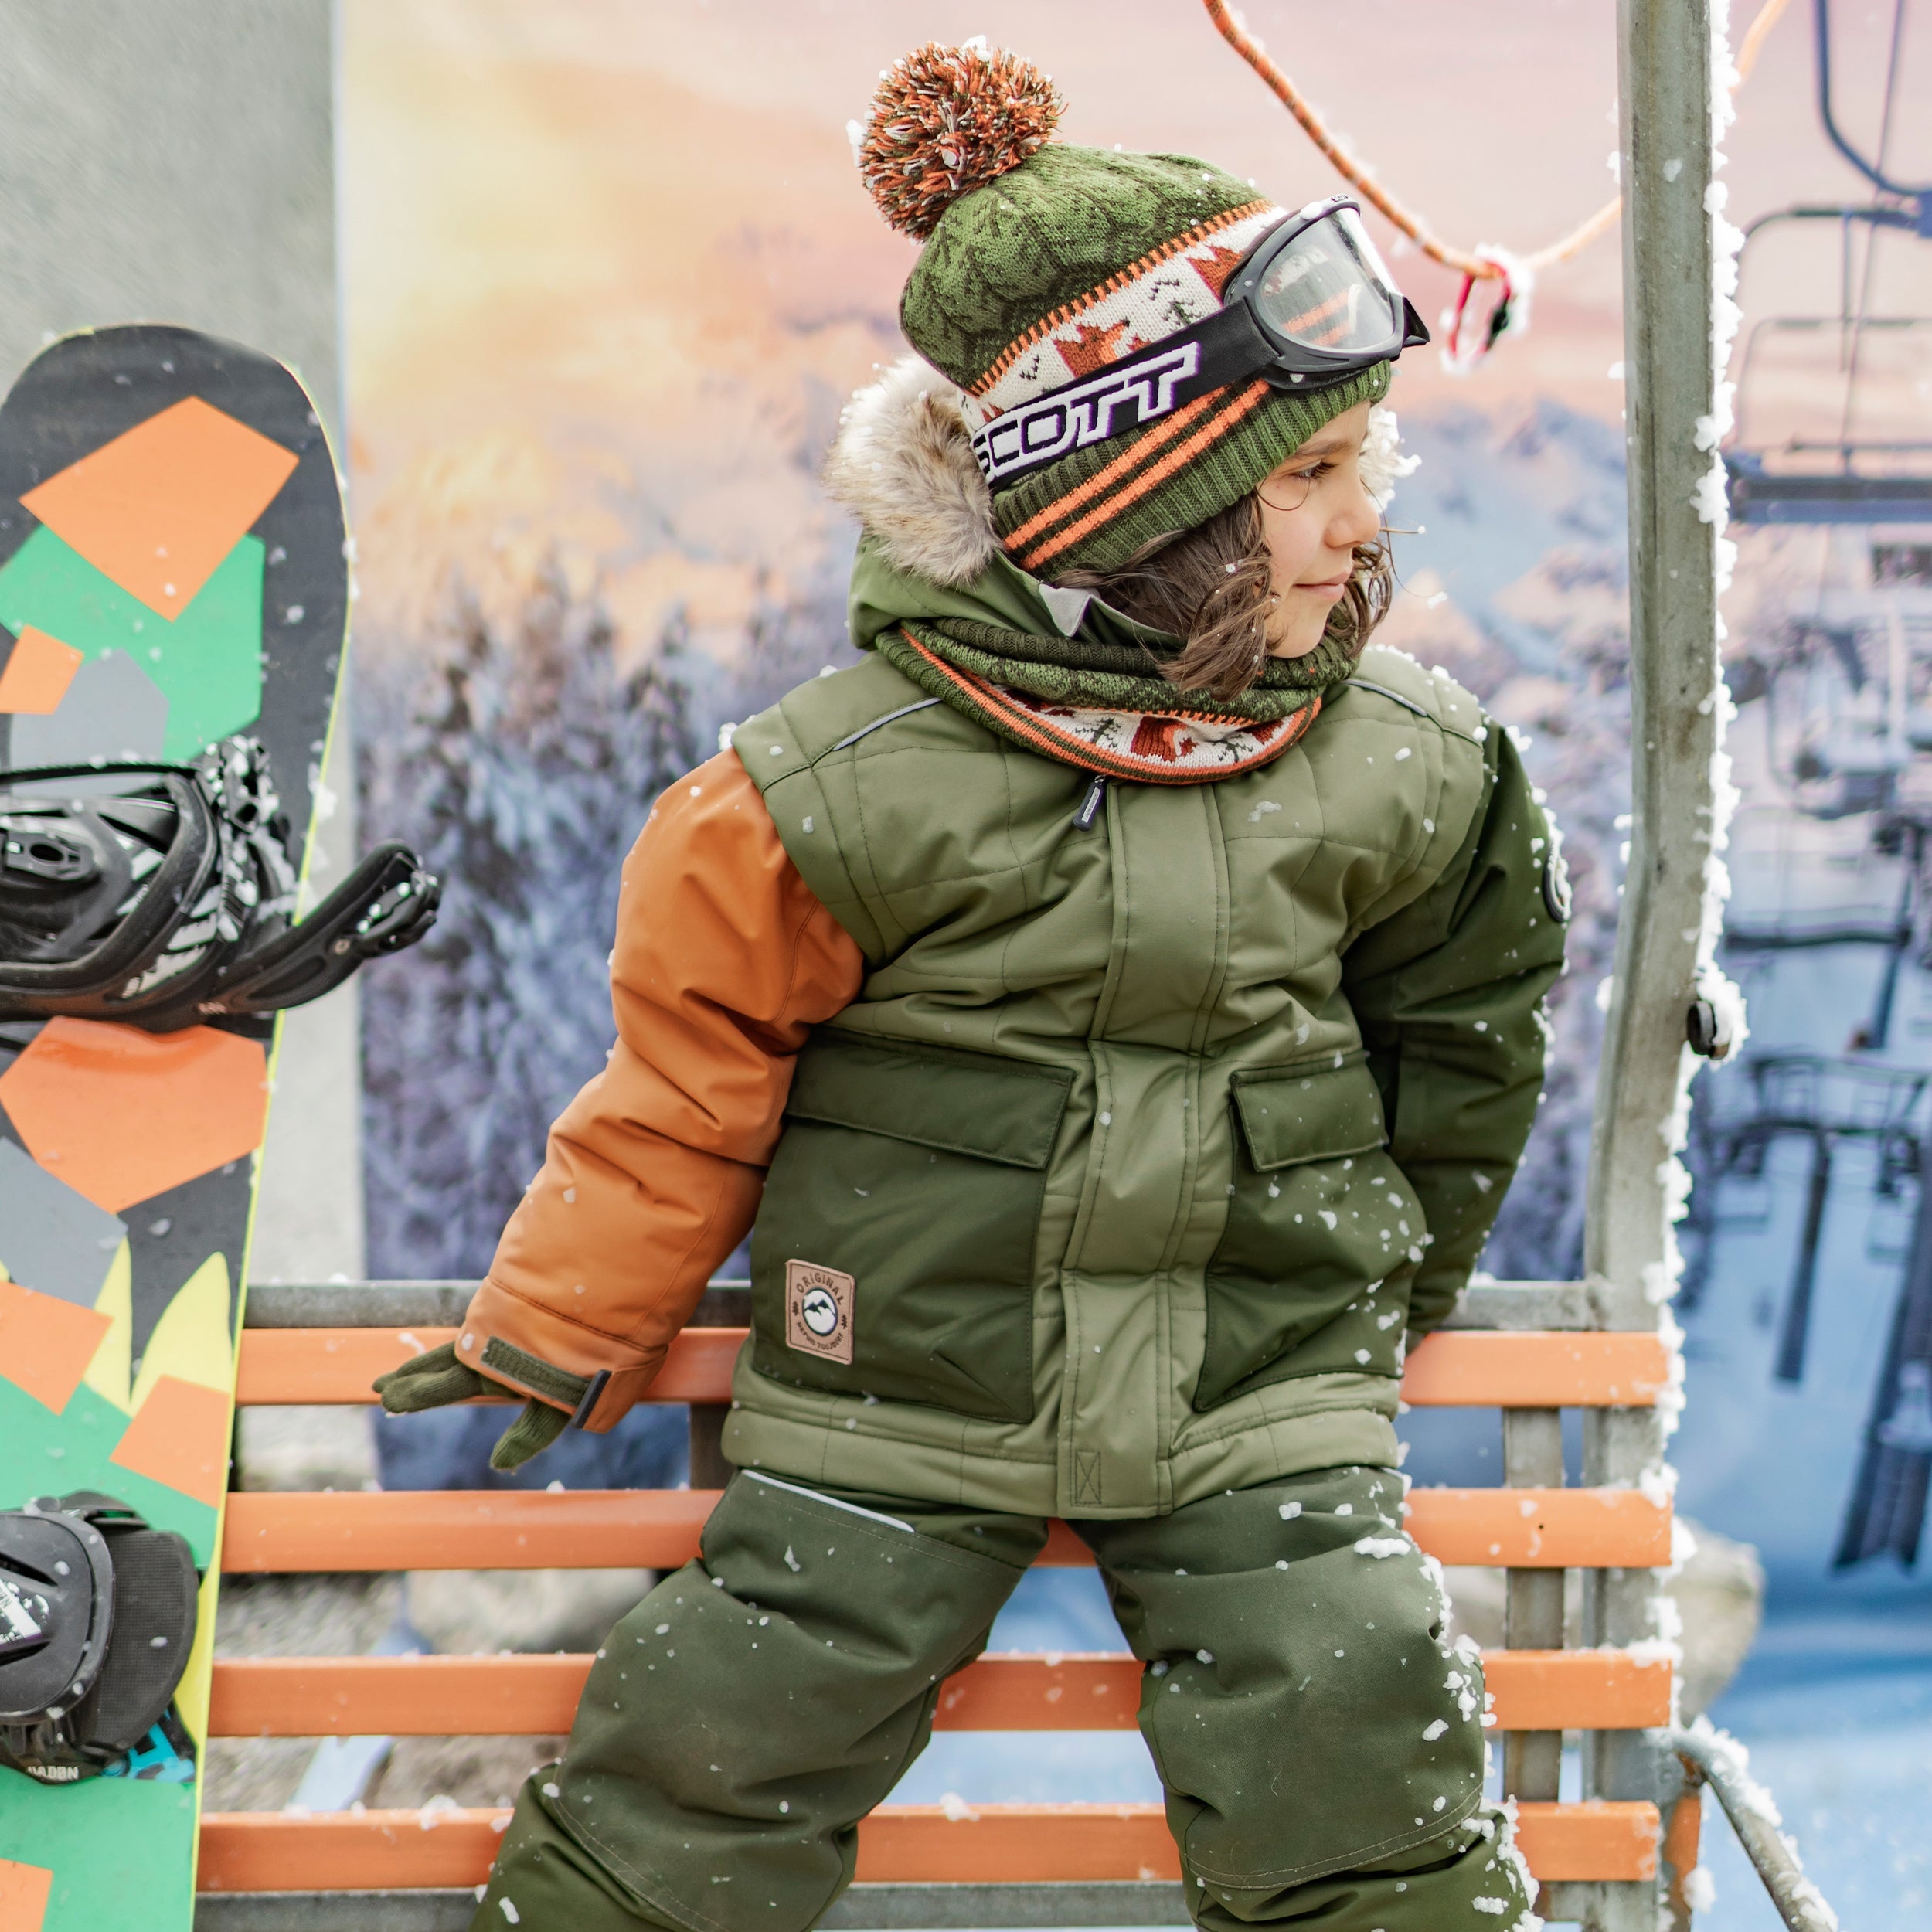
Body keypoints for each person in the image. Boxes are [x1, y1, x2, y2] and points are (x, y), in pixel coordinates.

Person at [376, 40, 1566, 1932]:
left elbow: (1466, 1020)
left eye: (1366, 466)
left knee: (1346, 1707)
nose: (1364, 520)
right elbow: (691, 1079)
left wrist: (1381, 1264)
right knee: (729, 1721)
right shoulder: (837, 790)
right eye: (1316, 471)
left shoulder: (1403, 761)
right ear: (1138, 510)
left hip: (1254, 1391)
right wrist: (563, 1316)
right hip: (901, 1394)